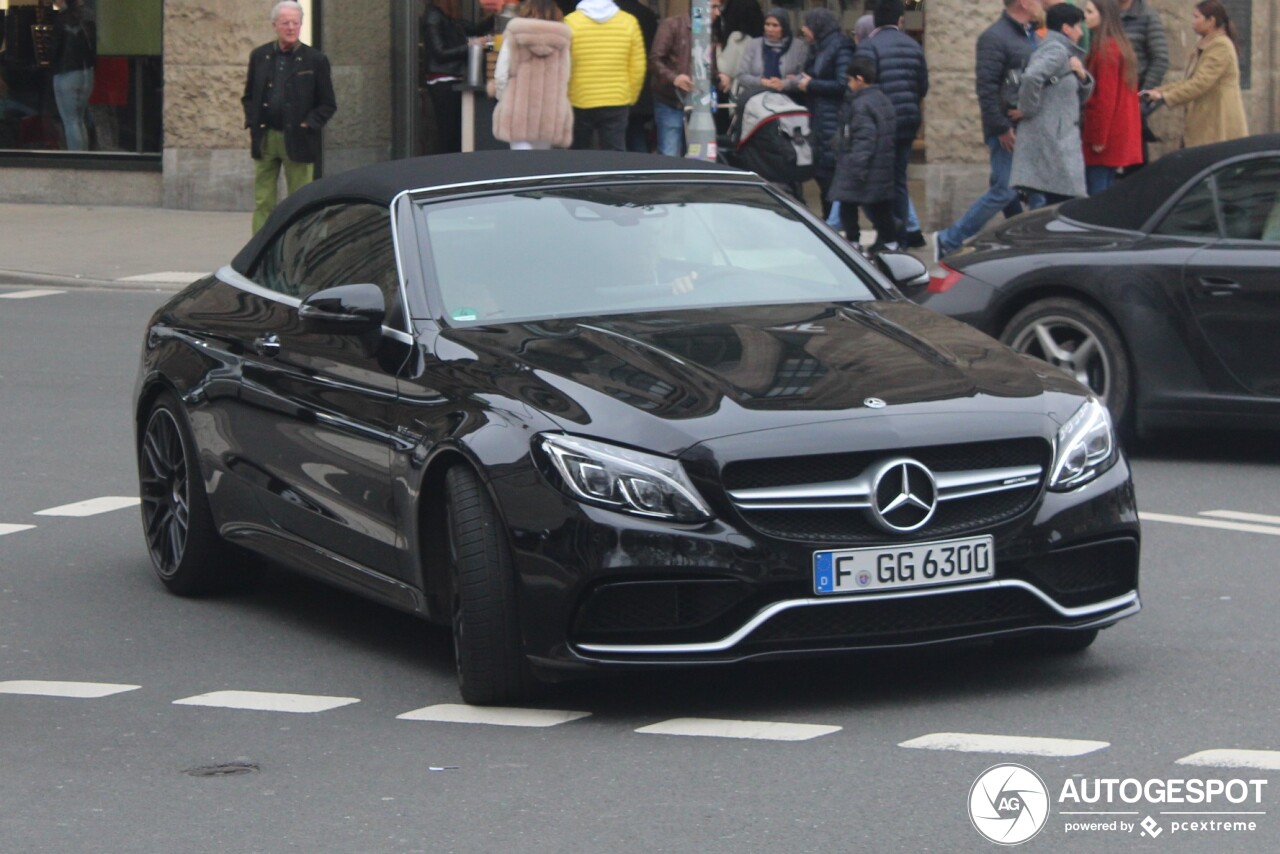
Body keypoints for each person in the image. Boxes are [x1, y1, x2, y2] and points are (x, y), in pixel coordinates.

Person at [934, 0, 1042, 260]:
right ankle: (950, 239)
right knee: (1005, 190)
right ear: (1025, 3)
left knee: (1020, 190)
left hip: (1025, 126)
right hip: (1007, 130)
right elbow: (987, 88)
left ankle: (1023, 241)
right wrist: (1002, 127)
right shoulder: (994, 37)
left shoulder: (1029, 34)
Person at [242, 1, 337, 233]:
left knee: (300, 201)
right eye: (286, 23)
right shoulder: (260, 56)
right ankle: (260, 251)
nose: (291, 27)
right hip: (265, 138)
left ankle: (298, 244)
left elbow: (327, 104)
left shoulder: (315, 60)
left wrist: (308, 124)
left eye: (296, 22)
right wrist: (253, 122)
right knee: (263, 200)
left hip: (298, 138)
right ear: (275, 25)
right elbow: (249, 96)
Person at [856, 0, 928, 248]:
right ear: (900, 20)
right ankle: (900, 237)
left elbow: (861, 88)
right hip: (907, 121)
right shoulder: (913, 46)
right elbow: (923, 87)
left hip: (879, 123)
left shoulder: (868, 47)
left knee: (876, 180)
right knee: (898, 179)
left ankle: (886, 235)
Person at [1010, 2, 1093, 208]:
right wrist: (1028, 109)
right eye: (1078, 26)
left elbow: (1073, 93)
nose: (1081, 31)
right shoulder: (1057, 50)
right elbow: (1031, 77)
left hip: (1056, 137)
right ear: (1066, 28)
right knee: (1063, 202)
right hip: (1053, 139)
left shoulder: (1063, 52)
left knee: (1057, 202)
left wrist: (1082, 76)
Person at [1141, 0, 1246, 148]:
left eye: (1197, 17)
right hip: (1205, 123)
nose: (1192, 22)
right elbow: (1189, 81)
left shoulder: (1221, 46)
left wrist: (1166, 97)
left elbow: (1200, 83)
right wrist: (1159, 91)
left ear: (1211, 21)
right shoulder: (1207, 44)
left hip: (1216, 125)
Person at [831, 54, 898, 254]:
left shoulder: (861, 105)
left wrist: (856, 169)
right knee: (880, 207)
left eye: (850, 80)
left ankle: (853, 242)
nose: (848, 84)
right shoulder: (881, 99)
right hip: (880, 165)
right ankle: (889, 241)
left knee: (847, 204)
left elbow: (864, 139)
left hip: (862, 166)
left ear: (859, 79)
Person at [489, 0, 574, 149]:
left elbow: (501, 74)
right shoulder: (561, 40)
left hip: (518, 111)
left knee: (519, 165)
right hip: (548, 113)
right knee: (540, 165)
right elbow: (565, 77)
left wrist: (505, 99)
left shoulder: (514, 35)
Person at [565, 0, 646, 150]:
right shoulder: (628, 22)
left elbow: (564, 64)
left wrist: (567, 94)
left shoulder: (571, 22)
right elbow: (638, 67)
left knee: (578, 152)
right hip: (617, 98)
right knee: (614, 151)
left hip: (580, 98)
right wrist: (631, 96)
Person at [797, 8, 854, 218]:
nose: (804, 31)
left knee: (830, 174)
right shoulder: (819, 47)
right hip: (820, 118)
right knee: (822, 173)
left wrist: (811, 84)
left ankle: (833, 221)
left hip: (832, 118)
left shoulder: (839, 46)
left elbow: (842, 84)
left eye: (808, 26)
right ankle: (829, 219)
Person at [650, 1, 727, 157]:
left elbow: (705, 66)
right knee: (670, 153)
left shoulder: (708, 30)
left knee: (696, 153)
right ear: (698, 7)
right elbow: (654, 59)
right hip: (671, 100)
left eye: (719, 8)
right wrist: (674, 78)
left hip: (696, 103)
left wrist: (719, 76)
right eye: (713, 7)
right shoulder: (671, 25)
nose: (718, 13)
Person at [1081, 0, 1142, 194]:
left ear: (1103, 15)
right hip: (1116, 131)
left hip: (1105, 133)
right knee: (1105, 187)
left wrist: (1099, 137)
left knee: (1097, 191)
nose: (1085, 16)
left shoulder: (1107, 50)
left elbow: (1104, 98)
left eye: (1090, 12)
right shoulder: (1118, 45)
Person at [1119, 0, 1168, 165]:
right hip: (1110, 95)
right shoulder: (1105, 12)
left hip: (1133, 97)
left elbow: (1160, 58)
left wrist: (1143, 95)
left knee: (1135, 160)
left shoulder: (1147, 16)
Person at [50, 0, 95, 151]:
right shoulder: (86, 17)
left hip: (66, 71)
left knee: (70, 121)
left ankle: (76, 157)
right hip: (86, 72)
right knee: (79, 119)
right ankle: (83, 155)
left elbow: (54, 50)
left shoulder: (61, 19)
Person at [615, 0, 659, 152]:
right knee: (636, 132)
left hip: (616, 86)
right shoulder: (647, 15)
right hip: (640, 87)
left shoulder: (613, 15)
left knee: (615, 139)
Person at [735, 8, 807, 98]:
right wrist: (761, 82)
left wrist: (785, 83)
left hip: (789, 98)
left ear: (784, 27)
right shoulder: (754, 44)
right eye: (767, 24)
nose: (770, 29)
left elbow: (805, 76)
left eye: (775, 25)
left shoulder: (798, 46)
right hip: (757, 97)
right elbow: (741, 75)